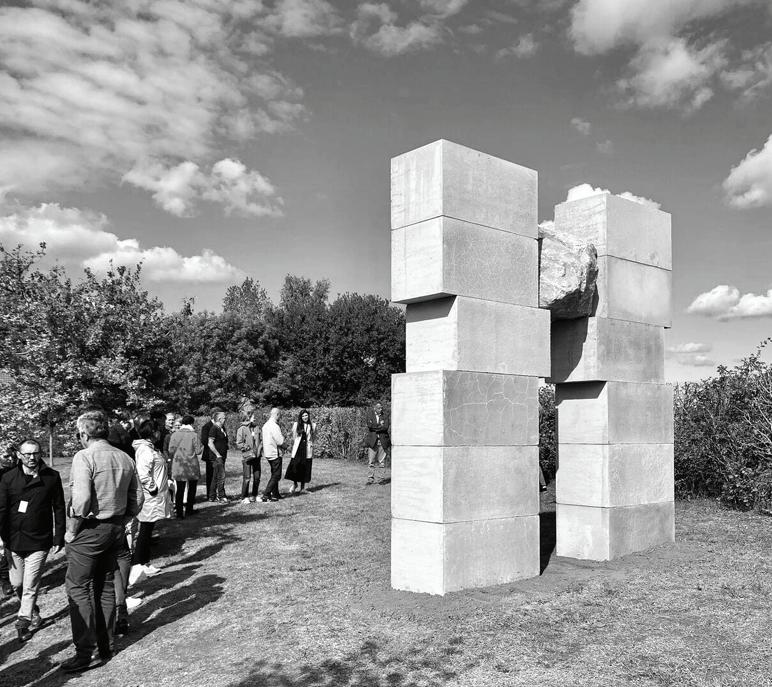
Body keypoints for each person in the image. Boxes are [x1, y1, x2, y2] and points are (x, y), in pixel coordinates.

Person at [60, 408, 143, 673]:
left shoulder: (84, 456)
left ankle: (87, 652)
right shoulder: (124, 456)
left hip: (90, 530)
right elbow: (138, 497)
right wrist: (124, 518)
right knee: (106, 584)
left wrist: (71, 530)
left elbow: (82, 499)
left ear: (83, 434)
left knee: (78, 588)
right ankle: (106, 646)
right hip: (115, 528)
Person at [0, 439, 65, 642]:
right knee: (17, 584)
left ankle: (23, 622)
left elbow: (59, 508)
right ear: (19, 455)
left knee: (30, 584)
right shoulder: (8, 478)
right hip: (13, 540)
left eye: (35, 453)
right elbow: (2, 510)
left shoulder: (52, 477)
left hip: (39, 539)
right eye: (27, 454)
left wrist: (59, 536)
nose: (31, 457)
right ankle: (33, 611)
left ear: (40, 454)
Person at [131, 414, 171, 576]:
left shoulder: (151, 448)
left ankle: (144, 562)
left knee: (148, 529)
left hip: (155, 495)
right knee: (145, 530)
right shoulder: (145, 450)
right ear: (153, 432)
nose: (160, 433)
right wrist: (153, 488)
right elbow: (143, 474)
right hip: (150, 497)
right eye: (158, 430)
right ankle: (139, 563)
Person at [167, 415, 203, 517]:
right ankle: (189, 510)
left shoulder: (175, 435)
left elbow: (170, 450)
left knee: (179, 489)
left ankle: (179, 512)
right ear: (192, 423)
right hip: (191, 465)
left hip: (179, 464)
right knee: (192, 488)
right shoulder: (194, 435)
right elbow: (198, 451)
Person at [285, 409, 316, 494]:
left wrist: (311, 445)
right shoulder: (296, 425)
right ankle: (295, 484)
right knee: (295, 467)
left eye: (306, 415)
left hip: (307, 449)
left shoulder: (313, 425)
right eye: (303, 416)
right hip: (298, 449)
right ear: (300, 417)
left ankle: (303, 488)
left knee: (305, 468)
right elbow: (294, 437)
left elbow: (313, 437)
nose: (305, 417)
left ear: (308, 415)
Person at [0, 445, 17, 598]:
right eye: (6, 456)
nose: (11, 459)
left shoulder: (19, 470)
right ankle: (5, 580)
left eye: (13, 455)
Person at [236, 411, 262, 504]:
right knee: (247, 477)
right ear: (248, 418)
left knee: (257, 477)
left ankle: (254, 495)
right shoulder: (241, 429)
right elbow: (239, 443)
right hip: (247, 456)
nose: (255, 418)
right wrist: (247, 447)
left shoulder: (257, 427)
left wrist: (260, 449)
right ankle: (244, 497)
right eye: (253, 417)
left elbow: (261, 439)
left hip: (257, 456)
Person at [260, 408, 285, 502]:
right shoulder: (274, 426)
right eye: (280, 415)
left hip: (268, 452)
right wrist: (285, 443)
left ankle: (275, 494)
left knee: (274, 473)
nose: (280, 417)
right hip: (275, 452)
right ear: (277, 414)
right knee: (277, 475)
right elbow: (280, 441)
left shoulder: (265, 425)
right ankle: (266, 494)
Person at [365, 401, 390, 484]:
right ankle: (370, 479)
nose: (381, 409)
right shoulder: (370, 415)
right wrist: (380, 426)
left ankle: (381, 479)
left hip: (382, 441)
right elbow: (370, 426)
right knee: (371, 462)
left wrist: (375, 427)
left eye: (381, 408)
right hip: (373, 441)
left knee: (381, 462)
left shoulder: (385, 415)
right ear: (374, 408)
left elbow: (385, 427)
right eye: (379, 408)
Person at [200, 407, 222, 499]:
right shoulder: (206, 427)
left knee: (219, 475)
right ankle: (210, 495)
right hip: (210, 455)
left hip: (220, 454)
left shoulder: (221, 426)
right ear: (214, 415)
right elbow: (204, 441)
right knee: (211, 476)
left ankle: (219, 493)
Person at [207, 411, 229, 503]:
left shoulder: (222, 428)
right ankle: (221, 496)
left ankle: (212, 496)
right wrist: (218, 454)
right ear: (219, 419)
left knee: (215, 476)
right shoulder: (214, 429)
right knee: (221, 476)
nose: (226, 419)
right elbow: (210, 443)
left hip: (222, 456)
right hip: (217, 457)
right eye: (224, 418)